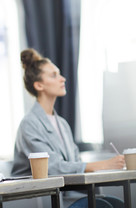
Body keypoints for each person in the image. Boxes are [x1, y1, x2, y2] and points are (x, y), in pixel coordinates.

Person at [11, 49, 125, 207]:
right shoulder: (29, 124)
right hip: (45, 199)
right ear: (39, 85)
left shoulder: (62, 124)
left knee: (116, 203)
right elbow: (50, 167)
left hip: (69, 195)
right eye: (54, 75)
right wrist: (101, 165)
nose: (62, 79)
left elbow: (74, 162)